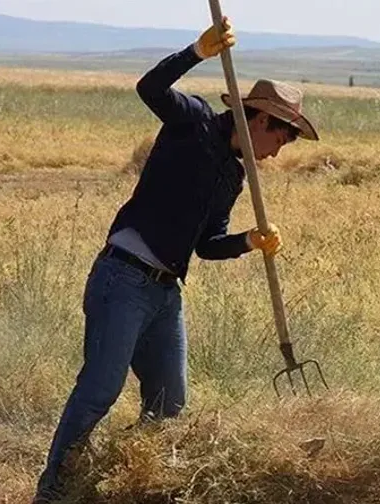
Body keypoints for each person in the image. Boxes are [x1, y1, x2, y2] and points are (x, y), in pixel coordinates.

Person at [33, 16, 319, 502]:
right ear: (260, 120)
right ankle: (54, 490)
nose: (276, 153)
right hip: (122, 276)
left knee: (169, 407)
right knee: (99, 391)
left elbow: (208, 244)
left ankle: (121, 481)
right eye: (279, 139)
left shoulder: (233, 176)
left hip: (166, 292)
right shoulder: (194, 121)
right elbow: (149, 87)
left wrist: (249, 241)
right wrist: (196, 52)